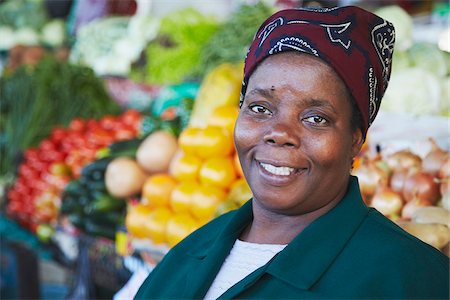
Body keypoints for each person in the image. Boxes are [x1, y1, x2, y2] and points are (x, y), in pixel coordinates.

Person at [135, 6, 449, 299]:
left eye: (316, 118)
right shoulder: (189, 252)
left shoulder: (410, 278)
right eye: (259, 108)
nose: (280, 133)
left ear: (356, 140)